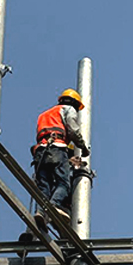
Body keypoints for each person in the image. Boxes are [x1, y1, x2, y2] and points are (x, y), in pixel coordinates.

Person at [31, 89, 90, 226]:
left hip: (40, 151)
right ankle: (53, 206)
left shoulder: (44, 114)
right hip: (57, 147)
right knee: (63, 183)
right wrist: (83, 147)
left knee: (44, 187)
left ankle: (40, 213)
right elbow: (73, 130)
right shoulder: (68, 109)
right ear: (75, 103)